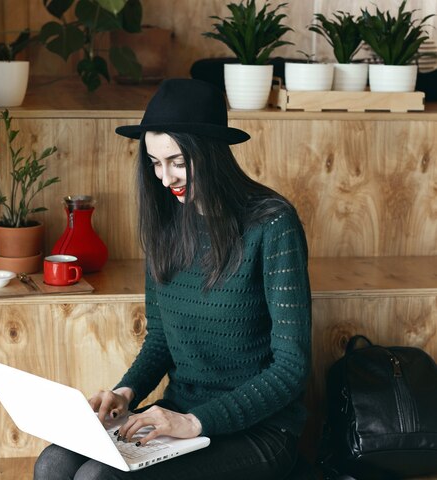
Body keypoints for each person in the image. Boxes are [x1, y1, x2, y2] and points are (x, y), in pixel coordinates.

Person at [34, 78, 312, 480]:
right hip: (179, 419)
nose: (166, 179)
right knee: (54, 463)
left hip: (259, 431)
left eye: (178, 162)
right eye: (155, 163)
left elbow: (291, 368)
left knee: (99, 477)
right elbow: (162, 339)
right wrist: (126, 394)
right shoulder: (166, 223)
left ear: (213, 153)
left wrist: (195, 423)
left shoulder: (272, 223)